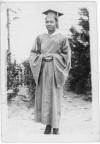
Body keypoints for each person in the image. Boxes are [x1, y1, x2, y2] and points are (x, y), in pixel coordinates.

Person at [29, 9, 71, 135]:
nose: (48, 24)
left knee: (55, 98)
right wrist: (41, 57)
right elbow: (33, 53)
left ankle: (56, 126)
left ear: (56, 22)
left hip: (56, 72)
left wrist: (53, 57)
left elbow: (67, 56)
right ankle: (48, 125)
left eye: (51, 21)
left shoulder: (62, 38)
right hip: (43, 71)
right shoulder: (40, 37)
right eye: (46, 22)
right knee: (45, 98)